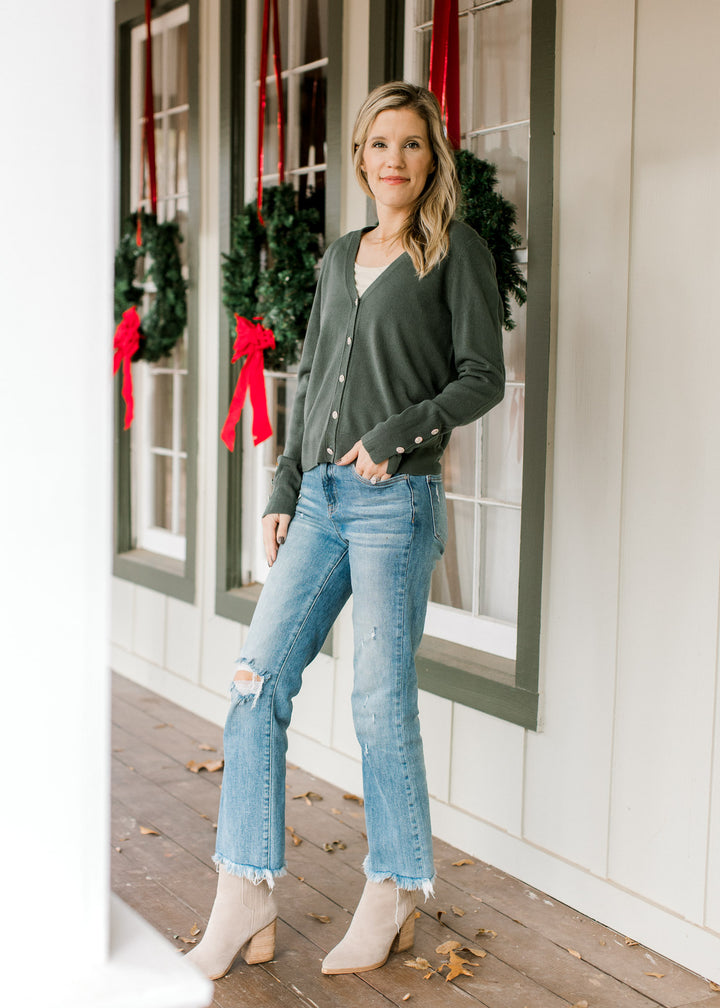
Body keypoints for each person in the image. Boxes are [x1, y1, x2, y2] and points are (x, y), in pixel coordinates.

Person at [187, 80, 505, 982]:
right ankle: (245, 891)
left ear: (429, 157)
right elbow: (315, 372)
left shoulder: (457, 253)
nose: (392, 161)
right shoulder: (338, 257)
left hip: (395, 503)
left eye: (409, 145)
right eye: (377, 146)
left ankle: (397, 883)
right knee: (256, 682)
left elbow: (483, 377)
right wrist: (286, 482)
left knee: (377, 699)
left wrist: (392, 435)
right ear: (361, 158)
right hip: (322, 498)